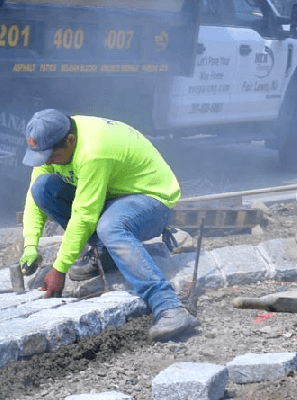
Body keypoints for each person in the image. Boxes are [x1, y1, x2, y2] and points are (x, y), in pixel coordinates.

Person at [17, 108, 199, 342]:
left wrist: (59, 268)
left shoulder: (94, 151)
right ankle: (109, 253)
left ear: (70, 140)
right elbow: (34, 199)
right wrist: (31, 246)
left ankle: (169, 306)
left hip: (151, 201)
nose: (49, 162)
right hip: (113, 195)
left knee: (109, 226)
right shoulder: (53, 141)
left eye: (52, 156)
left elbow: (85, 214)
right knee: (43, 188)